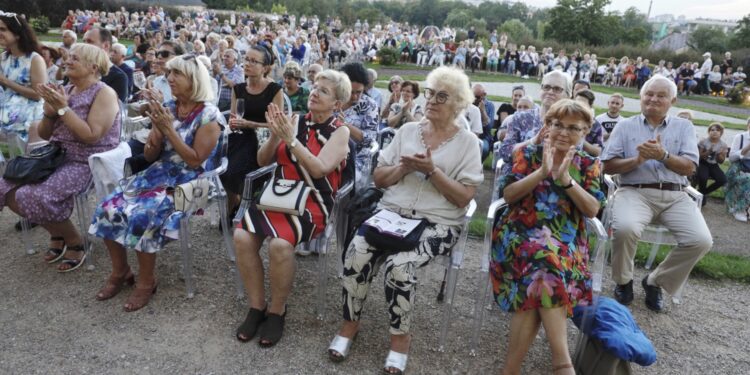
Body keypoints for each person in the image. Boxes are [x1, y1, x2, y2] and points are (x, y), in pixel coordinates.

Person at [328, 66, 483, 374]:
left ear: (458, 104)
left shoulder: (468, 143)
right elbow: (380, 178)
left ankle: (400, 341)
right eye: (430, 93)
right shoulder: (407, 131)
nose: (432, 100)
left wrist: (432, 172)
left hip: (438, 222)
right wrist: (403, 169)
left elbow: (464, 198)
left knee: (401, 268)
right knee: (356, 253)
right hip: (392, 214)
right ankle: (349, 325)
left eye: (442, 96)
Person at [89, 54, 224, 311]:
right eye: (169, 73)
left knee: (142, 215)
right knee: (107, 207)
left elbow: (195, 162)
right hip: (159, 174)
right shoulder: (170, 108)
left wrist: (169, 130)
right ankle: (121, 272)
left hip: (194, 183)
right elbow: (151, 156)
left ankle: (146, 281)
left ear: (193, 80)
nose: (169, 78)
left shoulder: (210, 116)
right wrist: (157, 132)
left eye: (176, 74)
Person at [233, 70, 351, 347]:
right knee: (241, 236)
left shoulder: (339, 131)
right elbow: (263, 161)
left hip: (314, 201)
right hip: (280, 195)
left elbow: (320, 169)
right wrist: (276, 136)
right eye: (315, 87)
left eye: (324, 91)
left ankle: (277, 310)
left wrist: (292, 140)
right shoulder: (295, 120)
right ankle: (256, 306)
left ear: (337, 103)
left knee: (280, 244)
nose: (314, 92)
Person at [491, 99, 604, 375]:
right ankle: (562, 364)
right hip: (518, 233)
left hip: (566, 241)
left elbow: (592, 209)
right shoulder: (528, 155)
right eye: (557, 125)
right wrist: (541, 173)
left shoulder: (588, 163)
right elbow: (508, 195)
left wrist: (566, 180)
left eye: (573, 128)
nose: (563, 132)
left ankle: (511, 370)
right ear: (547, 126)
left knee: (542, 269)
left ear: (585, 131)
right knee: (542, 258)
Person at [0, 43, 120, 271]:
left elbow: (92, 136)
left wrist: (63, 109)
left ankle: (76, 241)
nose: (67, 61)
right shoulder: (67, 89)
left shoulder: (104, 93)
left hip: (86, 160)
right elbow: (45, 134)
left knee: (37, 195)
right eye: (68, 57)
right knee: (5, 187)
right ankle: (57, 232)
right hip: (55, 155)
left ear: (93, 67)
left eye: (74, 58)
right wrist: (49, 113)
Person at [602, 76, 713, 312]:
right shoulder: (625, 126)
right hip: (634, 192)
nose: (653, 99)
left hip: (675, 195)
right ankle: (623, 281)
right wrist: (637, 160)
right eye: (648, 94)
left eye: (661, 95)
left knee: (701, 240)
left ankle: (655, 281)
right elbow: (607, 166)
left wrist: (663, 155)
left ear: (672, 100)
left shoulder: (684, 127)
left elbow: (690, 167)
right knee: (625, 228)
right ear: (641, 97)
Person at [222, 45, 283, 220]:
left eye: (253, 61)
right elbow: (233, 119)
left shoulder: (274, 90)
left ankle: (241, 203)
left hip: (263, 141)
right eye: (246, 59)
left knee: (234, 170)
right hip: (239, 137)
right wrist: (234, 124)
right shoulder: (238, 89)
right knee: (218, 164)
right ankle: (234, 201)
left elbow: (278, 126)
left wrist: (250, 124)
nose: (247, 64)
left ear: (264, 68)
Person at [498, 70, 571, 176]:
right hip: (519, 178)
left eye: (557, 89)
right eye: (546, 87)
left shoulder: (573, 125)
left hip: (557, 179)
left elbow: (575, 159)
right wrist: (532, 141)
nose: (550, 91)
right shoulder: (520, 117)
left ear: (568, 95)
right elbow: (505, 152)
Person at [0, 12, 46, 144]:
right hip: (6, 105)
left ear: (17, 34)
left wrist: (5, 81)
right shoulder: (3, 57)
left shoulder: (35, 59)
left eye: (3, 29)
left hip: (27, 112)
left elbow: (38, 95)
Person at [339, 62, 379, 187]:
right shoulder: (333, 100)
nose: (355, 97)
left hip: (356, 155)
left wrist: (344, 125)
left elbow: (369, 139)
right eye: (351, 92)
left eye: (359, 92)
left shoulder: (369, 105)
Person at [82, 27, 128, 103]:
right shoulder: (78, 69)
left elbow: (113, 111)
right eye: (84, 41)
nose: (84, 45)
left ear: (106, 46)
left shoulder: (118, 77)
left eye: (89, 41)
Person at [696, 123, 728, 206]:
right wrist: (708, 151)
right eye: (712, 130)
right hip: (703, 163)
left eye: (717, 130)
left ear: (721, 133)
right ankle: (701, 195)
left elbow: (721, 161)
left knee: (722, 180)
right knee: (703, 177)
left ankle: (701, 193)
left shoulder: (723, 145)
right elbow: (699, 156)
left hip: (714, 165)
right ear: (709, 132)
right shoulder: (703, 141)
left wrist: (720, 154)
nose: (715, 132)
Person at [725, 118, 750, 222]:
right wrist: (746, 148)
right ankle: (739, 209)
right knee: (748, 179)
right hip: (738, 167)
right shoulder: (740, 137)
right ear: (748, 124)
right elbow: (731, 158)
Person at [572, 89, 603, 157]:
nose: (579, 107)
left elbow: (597, 151)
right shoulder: (566, 119)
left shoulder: (595, 125)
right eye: (576, 103)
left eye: (582, 104)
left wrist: (580, 140)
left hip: (583, 163)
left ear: (590, 106)